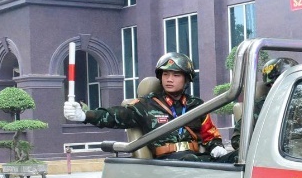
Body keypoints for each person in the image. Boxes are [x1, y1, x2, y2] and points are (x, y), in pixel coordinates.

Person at [63, 52, 224, 160]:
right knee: (189, 160)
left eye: (176, 75)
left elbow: (210, 135)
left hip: (195, 159)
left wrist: (216, 147)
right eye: (165, 74)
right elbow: (116, 115)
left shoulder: (196, 105)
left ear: (186, 79)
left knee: (233, 160)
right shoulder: (147, 104)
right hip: (167, 163)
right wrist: (84, 115)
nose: (169, 79)